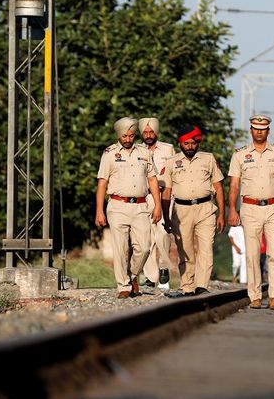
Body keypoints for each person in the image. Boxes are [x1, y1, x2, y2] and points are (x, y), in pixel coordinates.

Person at [228, 114, 274, 310]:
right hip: (249, 207)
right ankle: (254, 295)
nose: (259, 131)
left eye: (263, 129)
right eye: (256, 128)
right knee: (253, 253)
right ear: (251, 130)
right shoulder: (240, 154)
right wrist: (232, 209)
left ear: (268, 131)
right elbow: (233, 185)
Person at [95, 117, 162, 299]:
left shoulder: (143, 152)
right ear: (119, 136)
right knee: (121, 247)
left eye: (131, 135)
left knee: (145, 247)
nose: (128, 139)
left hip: (141, 205)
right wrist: (99, 211)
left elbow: (152, 180)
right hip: (117, 206)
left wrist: (158, 206)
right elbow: (102, 182)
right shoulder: (109, 153)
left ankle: (132, 275)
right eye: (125, 136)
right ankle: (123, 285)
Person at [161, 125, 224, 296]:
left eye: (193, 143)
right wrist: (166, 217)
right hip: (181, 210)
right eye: (186, 143)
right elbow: (166, 191)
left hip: (206, 209)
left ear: (197, 143)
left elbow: (218, 186)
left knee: (206, 247)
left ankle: (202, 285)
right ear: (180, 143)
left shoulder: (208, 159)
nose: (190, 147)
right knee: (185, 249)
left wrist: (222, 215)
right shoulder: (171, 162)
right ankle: (187, 285)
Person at [138, 117, 176, 290]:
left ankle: (164, 267)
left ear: (156, 132)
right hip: (144, 196)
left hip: (164, 195)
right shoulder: (137, 150)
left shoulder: (168, 149)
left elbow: (174, 171)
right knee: (146, 237)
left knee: (162, 233)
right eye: (145, 132)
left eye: (151, 132)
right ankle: (150, 277)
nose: (148, 135)